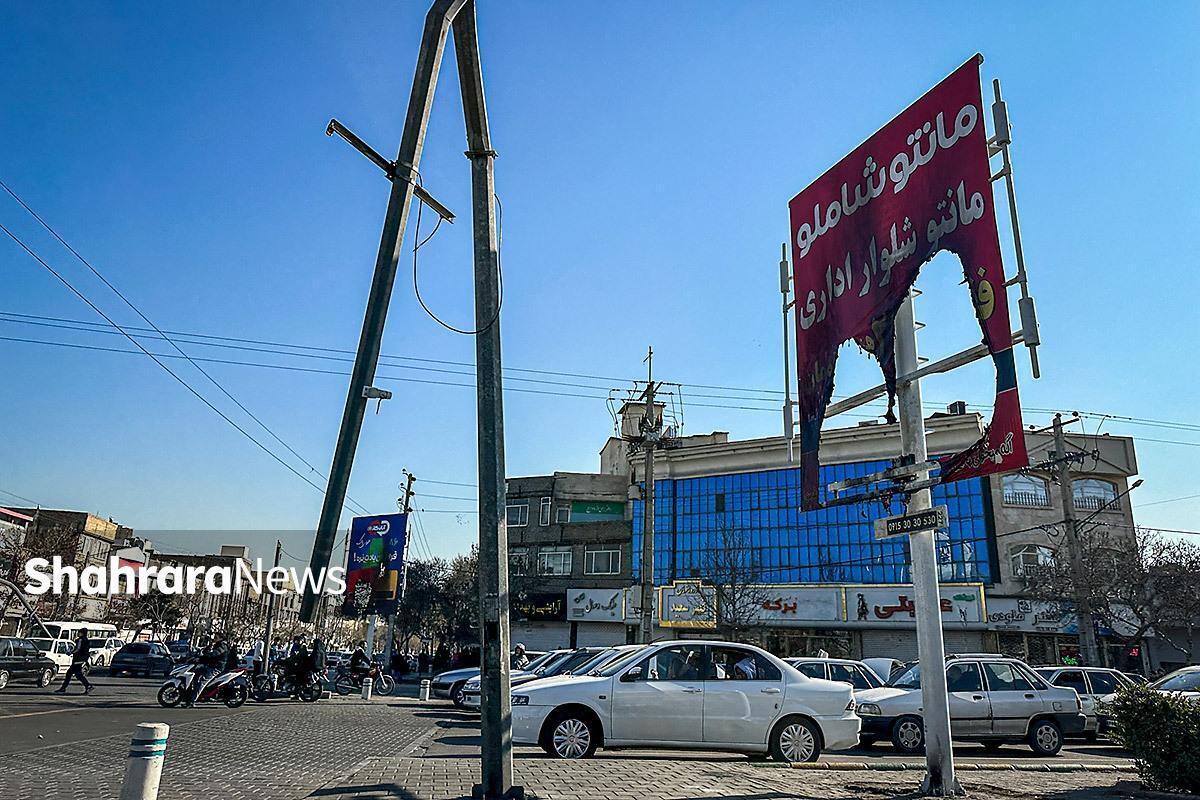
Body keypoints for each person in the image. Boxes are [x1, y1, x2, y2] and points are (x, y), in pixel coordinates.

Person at [187, 632, 230, 706]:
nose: (214, 639)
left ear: (221, 638)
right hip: (210, 665)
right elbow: (205, 653)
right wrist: (208, 646)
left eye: (216, 637)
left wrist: (201, 658)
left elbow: (213, 654)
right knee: (195, 673)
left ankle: (192, 700)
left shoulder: (222, 646)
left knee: (202, 681)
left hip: (216, 667)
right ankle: (193, 692)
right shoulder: (216, 644)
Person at [55, 628, 94, 695]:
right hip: (82, 659)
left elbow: (78, 649)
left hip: (78, 659)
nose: (78, 634)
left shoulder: (81, 640)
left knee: (74, 674)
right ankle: (63, 688)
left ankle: (88, 686)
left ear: (82, 633)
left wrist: (71, 652)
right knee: (73, 674)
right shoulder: (86, 640)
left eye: (79, 632)